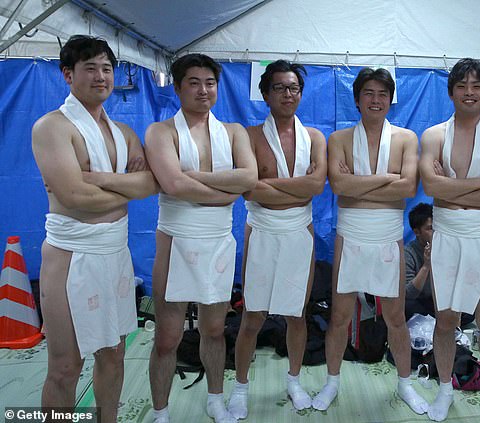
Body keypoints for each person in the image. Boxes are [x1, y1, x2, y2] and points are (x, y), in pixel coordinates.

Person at [31, 35, 157, 423]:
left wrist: (96, 179)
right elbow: (72, 197)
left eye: (106, 68)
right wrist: (124, 189)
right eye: (90, 68)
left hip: (114, 254)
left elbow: (151, 183)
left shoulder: (124, 133)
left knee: (114, 354)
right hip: (70, 256)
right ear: (68, 75)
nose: (101, 76)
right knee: (66, 367)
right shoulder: (52, 127)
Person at [144, 54, 257, 423]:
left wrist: (194, 179)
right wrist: (224, 191)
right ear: (177, 88)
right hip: (176, 238)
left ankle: (215, 400)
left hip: (217, 240)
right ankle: (160, 412)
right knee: (167, 336)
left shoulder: (235, 132)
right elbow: (172, 184)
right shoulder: (161, 132)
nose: (203, 90)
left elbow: (248, 179)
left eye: (209, 83)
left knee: (213, 329)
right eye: (193, 82)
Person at [312, 68, 428, 415]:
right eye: (368, 93)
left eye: (382, 94)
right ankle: (332, 382)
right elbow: (339, 188)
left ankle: (405, 384)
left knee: (395, 317)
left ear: (390, 99)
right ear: (357, 99)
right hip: (351, 236)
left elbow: (407, 189)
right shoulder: (340, 140)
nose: (376, 100)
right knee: (340, 316)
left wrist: (360, 183)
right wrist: (386, 180)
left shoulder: (406, 138)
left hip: (388, 236)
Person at [227, 60, 327, 419]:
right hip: (263, 231)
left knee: (297, 314)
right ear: (266, 95)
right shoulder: (249, 137)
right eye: (280, 88)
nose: (288, 94)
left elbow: (315, 187)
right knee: (252, 316)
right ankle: (239, 388)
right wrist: (293, 191)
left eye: (294, 88)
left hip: (300, 231)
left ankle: (294, 380)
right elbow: (248, 189)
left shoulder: (314, 137)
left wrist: (269, 189)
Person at [419, 58, 480, 421]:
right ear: (451, 92)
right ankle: (445, 388)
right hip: (447, 235)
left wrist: (453, 189)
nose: (469, 91)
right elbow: (430, 188)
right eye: (462, 85)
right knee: (446, 320)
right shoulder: (433, 135)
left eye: (476, 86)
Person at [404, 203, 474, 327]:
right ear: (416, 232)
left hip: (441, 300)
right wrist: (426, 265)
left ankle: (443, 325)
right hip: (420, 302)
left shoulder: (448, 247)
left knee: (470, 308)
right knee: (407, 307)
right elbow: (409, 293)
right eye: (430, 228)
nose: (436, 232)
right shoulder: (409, 253)